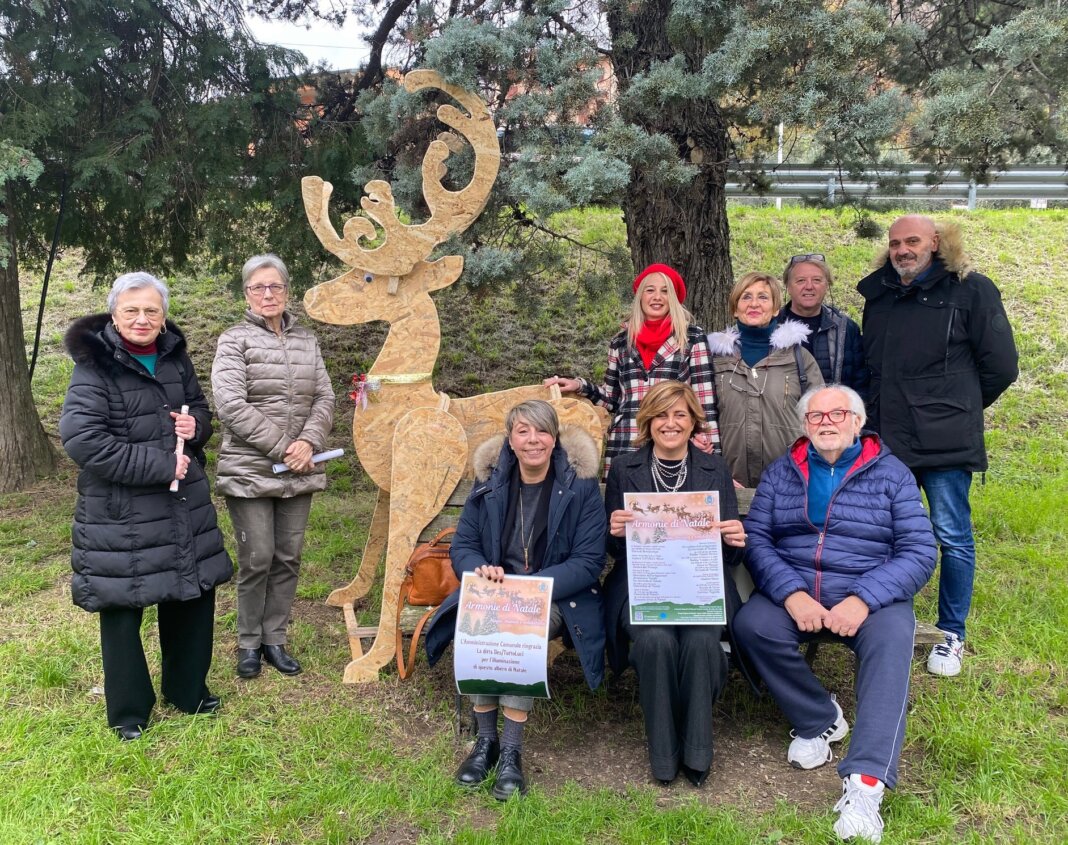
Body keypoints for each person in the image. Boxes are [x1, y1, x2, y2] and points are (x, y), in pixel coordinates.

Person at [733, 385, 936, 843]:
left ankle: (865, 785)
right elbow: (758, 539)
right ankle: (819, 718)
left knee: (891, 645)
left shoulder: (892, 474)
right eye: (815, 416)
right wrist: (790, 593)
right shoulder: (782, 472)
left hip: (870, 598)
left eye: (837, 414)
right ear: (804, 425)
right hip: (800, 591)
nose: (826, 422)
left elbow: (920, 550)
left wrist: (864, 598)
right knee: (752, 625)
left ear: (857, 423)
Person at [59, 272, 233, 741]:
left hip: (182, 507)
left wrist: (193, 426)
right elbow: (83, 440)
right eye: (132, 310)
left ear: (163, 316)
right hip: (121, 513)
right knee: (122, 608)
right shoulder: (94, 367)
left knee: (191, 595)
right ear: (114, 314)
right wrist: (160, 466)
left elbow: (200, 410)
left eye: (151, 311)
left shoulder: (175, 357)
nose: (142, 319)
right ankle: (130, 710)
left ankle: (188, 690)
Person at [857, 215, 1018, 676]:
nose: (902, 250)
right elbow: (874, 368)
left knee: (952, 535)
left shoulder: (972, 290)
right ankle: (890, 621)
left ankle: (951, 633)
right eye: (894, 243)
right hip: (889, 440)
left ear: (937, 242)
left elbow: (1001, 367)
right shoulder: (880, 296)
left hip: (944, 442)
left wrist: (957, 407)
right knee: (888, 535)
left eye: (912, 241)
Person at [424, 400, 607, 800]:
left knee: (520, 629)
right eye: (523, 431)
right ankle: (485, 743)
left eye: (542, 431)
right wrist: (479, 571)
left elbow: (589, 560)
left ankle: (511, 752)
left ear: (554, 438)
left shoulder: (579, 485)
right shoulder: (490, 480)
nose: (533, 440)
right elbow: (465, 544)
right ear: (510, 439)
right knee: (479, 621)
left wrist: (535, 588)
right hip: (496, 589)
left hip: (556, 595)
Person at [603, 381, 747, 787]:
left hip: (702, 582)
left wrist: (735, 538)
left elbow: (729, 554)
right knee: (655, 641)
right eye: (661, 415)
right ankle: (663, 752)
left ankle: (697, 750)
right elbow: (612, 551)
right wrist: (615, 531)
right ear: (647, 422)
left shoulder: (713, 468)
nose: (671, 423)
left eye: (680, 414)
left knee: (701, 642)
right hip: (643, 582)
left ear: (693, 422)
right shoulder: (623, 469)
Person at [212, 254, 335, 679]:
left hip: (300, 467)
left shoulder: (307, 340)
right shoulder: (234, 341)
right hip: (251, 467)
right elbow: (230, 405)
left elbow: (325, 398)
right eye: (258, 287)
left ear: (287, 290)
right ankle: (248, 642)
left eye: (275, 286)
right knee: (257, 557)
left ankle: (274, 639)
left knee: (288, 556)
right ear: (246, 293)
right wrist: (285, 447)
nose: (268, 294)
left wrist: (308, 443)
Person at [543, 263, 719, 477]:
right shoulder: (620, 342)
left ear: (673, 298)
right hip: (626, 440)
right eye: (650, 290)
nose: (657, 297)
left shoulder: (691, 337)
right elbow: (612, 399)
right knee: (623, 509)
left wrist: (710, 449)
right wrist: (580, 386)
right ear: (640, 296)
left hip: (674, 441)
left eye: (665, 291)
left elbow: (704, 400)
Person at [706, 271, 824, 488]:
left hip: (790, 481)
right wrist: (715, 472)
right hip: (727, 481)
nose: (754, 304)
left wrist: (806, 469)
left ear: (776, 307)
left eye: (763, 297)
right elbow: (699, 420)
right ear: (735, 308)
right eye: (746, 297)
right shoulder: (714, 359)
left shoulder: (798, 358)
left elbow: (820, 420)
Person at [779, 253, 869, 399]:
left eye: (817, 280)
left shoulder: (845, 329)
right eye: (800, 280)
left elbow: (861, 384)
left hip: (831, 417)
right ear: (788, 286)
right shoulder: (771, 327)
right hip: (783, 419)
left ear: (827, 285)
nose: (809, 286)